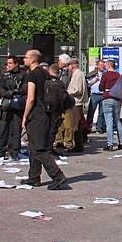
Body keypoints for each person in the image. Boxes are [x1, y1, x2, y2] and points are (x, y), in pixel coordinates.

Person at [21, 49, 70, 191]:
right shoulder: (45, 73)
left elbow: (31, 98)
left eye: (26, 57)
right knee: (32, 147)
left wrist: (25, 116)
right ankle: (34, 177)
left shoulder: (33, 75)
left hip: (37, 115)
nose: (23, 60)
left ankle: (57, 176)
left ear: (32, 59)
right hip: (48, 114)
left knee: (39, 149)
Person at [0, 56, 27, 160]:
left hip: (17, 104)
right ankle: (1, 151)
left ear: (16, 64)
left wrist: (16, 92)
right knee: (3, 129)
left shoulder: (23, 75)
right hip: (6, 103)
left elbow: (25, 88)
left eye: (10, 63)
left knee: (16, 129)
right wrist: (6, 93)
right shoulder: (5, 75)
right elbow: (0, 86)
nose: (8, 65)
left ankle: (14, 151)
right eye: (7, 63)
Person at [99, 60, 122, 151]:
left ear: (109, 66)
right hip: (118, 100)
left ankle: (110, 144)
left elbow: (101, 87)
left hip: (108, 99)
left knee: (109, 122)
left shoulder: (105, 75)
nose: (105, 66)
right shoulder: (119, 75)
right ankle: (121, 143)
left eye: (106, 65)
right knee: (118, 120)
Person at [53, 54, 74, 151]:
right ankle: (59, 141)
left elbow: (65, 85)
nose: (58, 63)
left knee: (68, 124)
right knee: (59, 123)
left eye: (59, 61)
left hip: (66, 100)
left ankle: (68, 142)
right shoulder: (58, 72)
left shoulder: (68, 73)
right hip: (58, 101)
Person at [67, 58, 88, 152]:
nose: (67, 67)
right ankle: (78, 144)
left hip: (76, 102)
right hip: (74, 102)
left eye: (68, 65)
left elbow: (77, 90)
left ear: (72, 66)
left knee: (76, 125)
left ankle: (79, 145)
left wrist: (67, 92)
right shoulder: (75, 74)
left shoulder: (78, 74)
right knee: (75, 124)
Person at [86, 59, 106, 134]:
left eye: (103, 65)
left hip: (102, 94)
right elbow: (88, 84)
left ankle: (99, 127)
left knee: (101, 112)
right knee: (91, 111)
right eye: (101, 65)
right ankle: (88, 127)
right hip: (94, 94)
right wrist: (95, 80)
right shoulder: (92, 74)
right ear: (97, 66)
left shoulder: (105, 74)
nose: (102, 66)